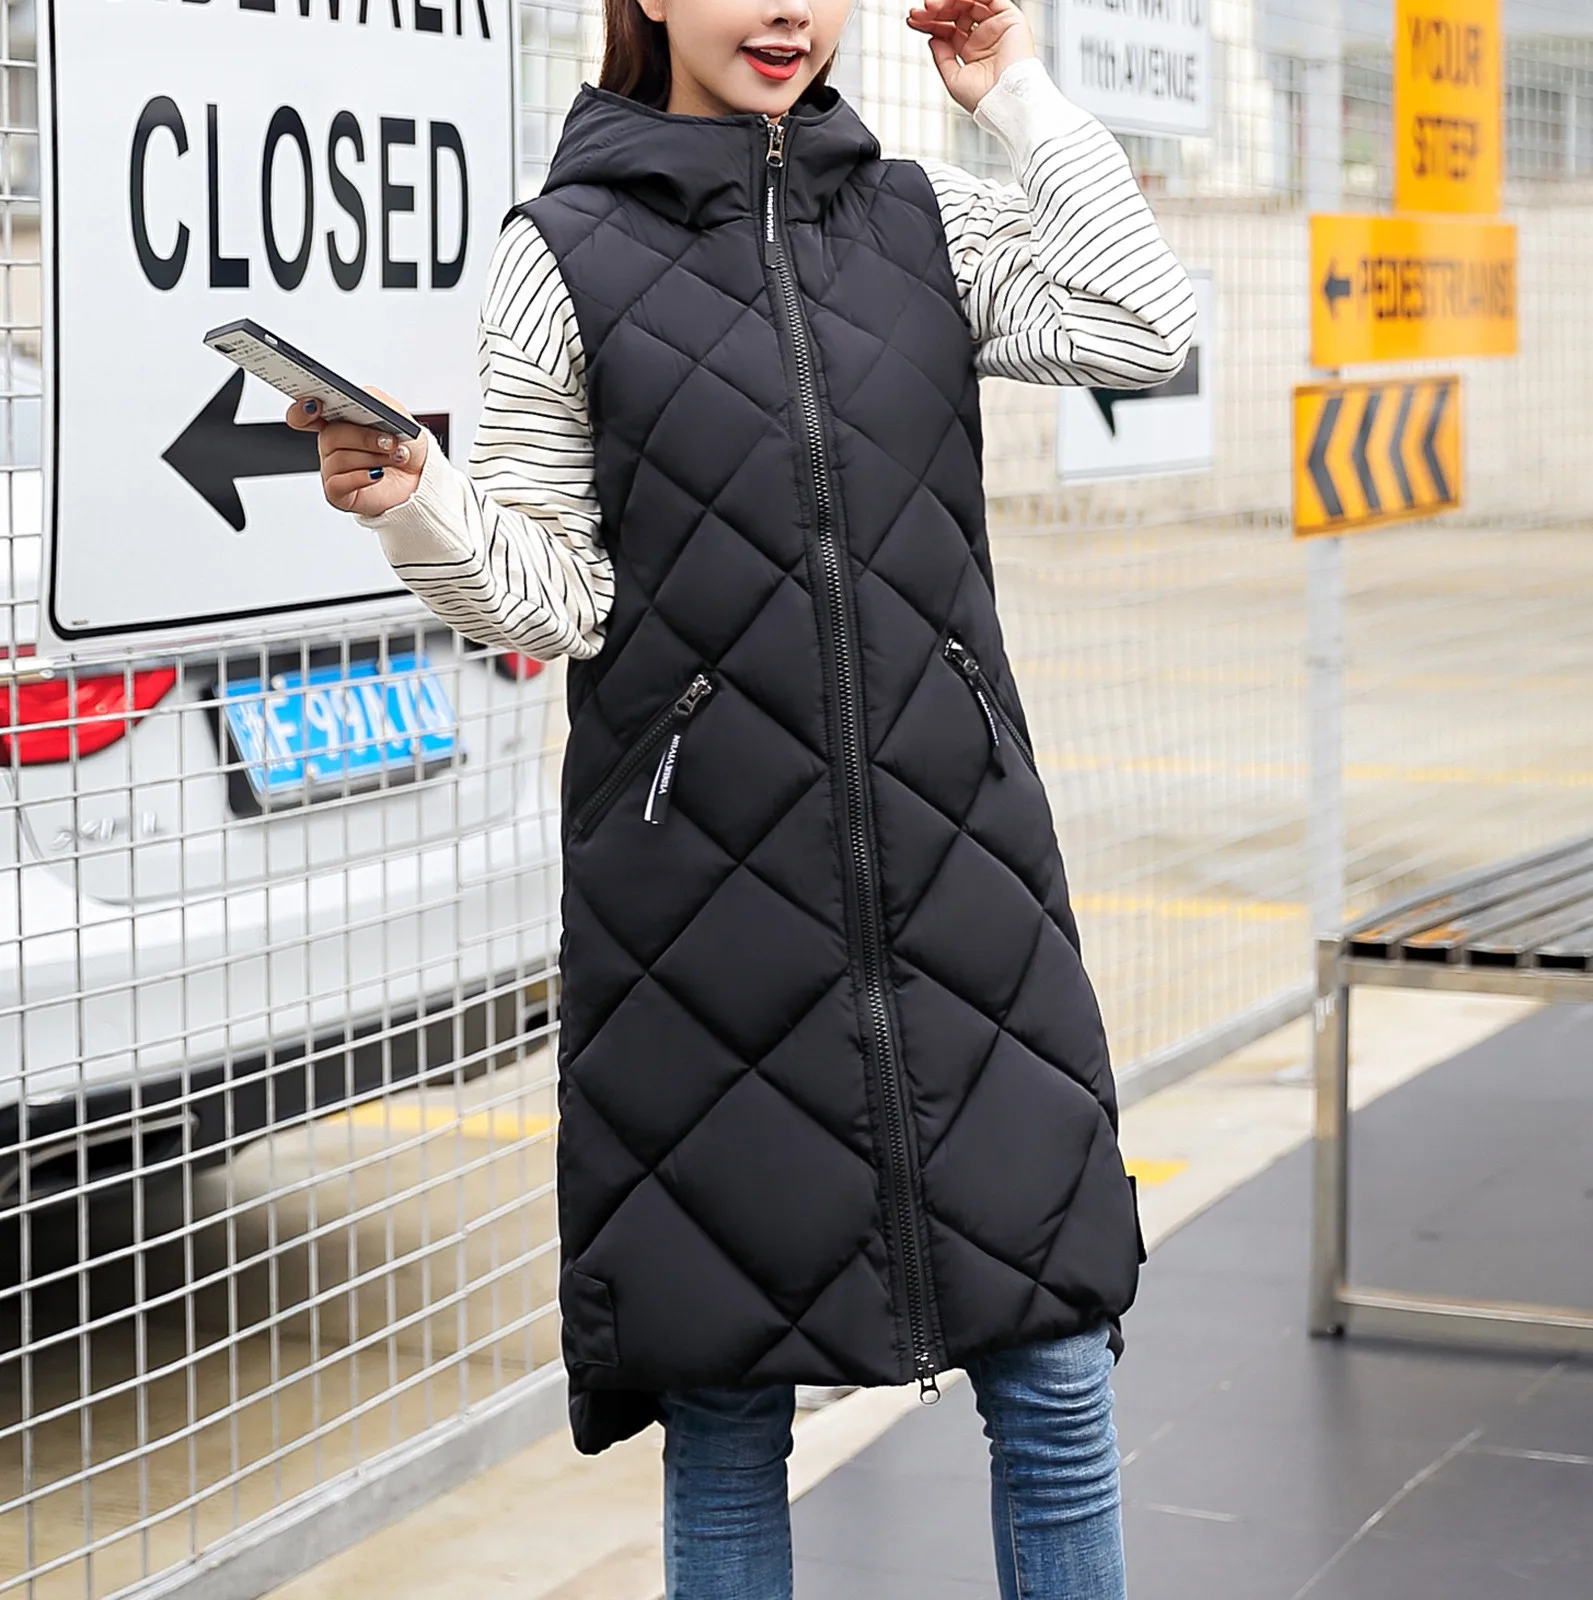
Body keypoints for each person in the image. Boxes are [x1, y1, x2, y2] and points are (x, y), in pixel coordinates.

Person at [291, 0, 1193, 1592]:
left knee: (1058, 1370)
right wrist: (420, 502)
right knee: (723, 1410)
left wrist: (1013, 94)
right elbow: (557, 597)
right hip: (699, 920)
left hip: (969, 888)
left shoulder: (923, 217)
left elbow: (1146, 326)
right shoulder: (558, 257)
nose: (788, 11)